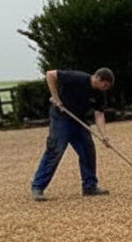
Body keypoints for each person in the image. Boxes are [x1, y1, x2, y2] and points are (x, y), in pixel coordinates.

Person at [30, 67, 114, 201]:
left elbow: (99, 114)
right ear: (98, 78)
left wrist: (104, 136)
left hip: (78, 120)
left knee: (88, 150)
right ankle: (37, 187)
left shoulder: (99, 94)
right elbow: (50, 74)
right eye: (106, 84)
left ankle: (89, 186)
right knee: (55, 150)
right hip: (61, 118)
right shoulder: (76, 77)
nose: (106, 88)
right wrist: (56, 97)